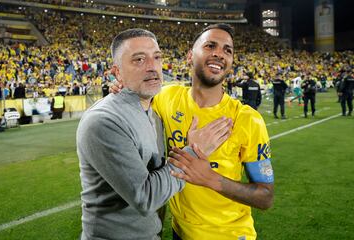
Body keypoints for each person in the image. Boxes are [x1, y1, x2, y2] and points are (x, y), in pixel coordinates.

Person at [113, 24, 274, 240]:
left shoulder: (247, 119)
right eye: (210, 46)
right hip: (180, 230)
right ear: (190, 56)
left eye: (228, 50)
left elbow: (265, 197)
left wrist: (209, 178)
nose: (219, 53)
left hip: (228, 235)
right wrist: (121, 86)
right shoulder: (167, 97)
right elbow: (135, 92)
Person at [77, 28, 232, 240]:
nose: (152, 67)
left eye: (157, 57)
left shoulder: (154, 109)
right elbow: (145, 197)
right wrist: (194, 152)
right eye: (139, 59)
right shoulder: (103, 121)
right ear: (117, 72)